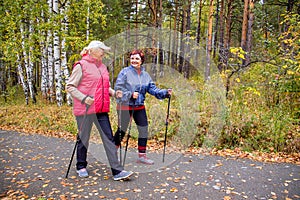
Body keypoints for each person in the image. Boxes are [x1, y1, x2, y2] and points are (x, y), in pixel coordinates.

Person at [66, 40, 133, 181]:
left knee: (109, 138)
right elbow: (70, 86)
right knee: (83, 138)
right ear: (91, 50)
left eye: (104, 50)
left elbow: (104, 87)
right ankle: (81, 165)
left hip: (101, 109)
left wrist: (114, 93)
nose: (103, 52)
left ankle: (117, 171)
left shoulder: (103, 67)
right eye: (101, 49)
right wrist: (84, 98)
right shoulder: (81, 65)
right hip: (85, 109)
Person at [113, 49, 172, 165]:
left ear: (141, 61)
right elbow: (118, 90)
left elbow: (152, 89)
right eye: (132, 58)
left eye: (137, 59)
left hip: (139, 106)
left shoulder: (145, 75)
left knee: (143, 129)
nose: (134, 60)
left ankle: (142, 156)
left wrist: (165, 93)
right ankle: (113, 153)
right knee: (122, 130)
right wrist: (129, 95)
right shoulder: (124, 72)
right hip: (125, 106)